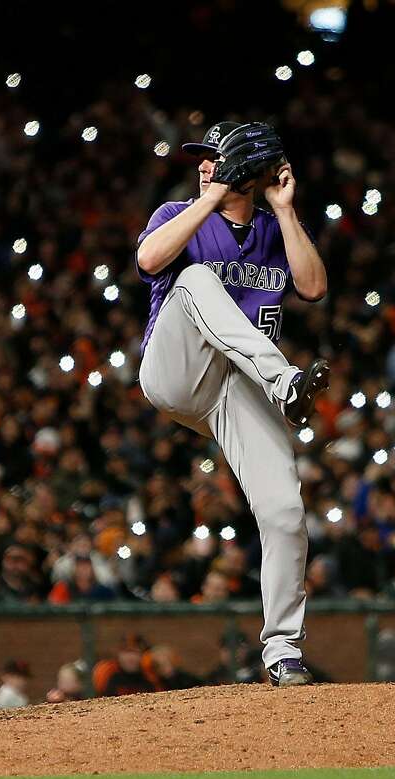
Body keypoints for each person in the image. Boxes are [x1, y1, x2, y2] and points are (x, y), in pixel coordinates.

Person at [135, 121, 330, 687]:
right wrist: (213, 198)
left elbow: (314, 287)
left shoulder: (273, 230)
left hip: (240, 389)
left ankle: (283, 651)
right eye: (202, 159)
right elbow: (150, 262)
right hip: (178, 371)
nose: (203, 166)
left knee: (285, 515)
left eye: (217, 159)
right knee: (193, 277)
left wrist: (287, 210)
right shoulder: (177, 215)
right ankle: (287, 384)